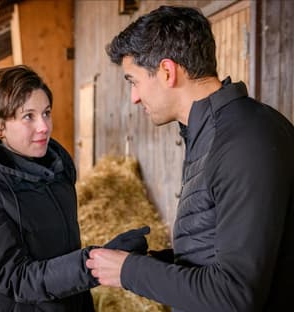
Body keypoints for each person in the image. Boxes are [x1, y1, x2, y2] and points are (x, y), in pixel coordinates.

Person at [86, 5, 294, 312]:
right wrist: (146, 261)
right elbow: (219, 248)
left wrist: (130, 272)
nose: (134, 97)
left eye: (134, 81)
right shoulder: (214, 132)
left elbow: (234, 294)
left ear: (168, 72)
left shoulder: (246, 141)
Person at [0, 65, 150, 311]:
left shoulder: (56, 172)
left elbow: (59, 256)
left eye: (46, 113)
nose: (44, 126)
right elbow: (17, 279)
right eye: (28, 116)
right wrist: (98, 262)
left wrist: (107, 256)